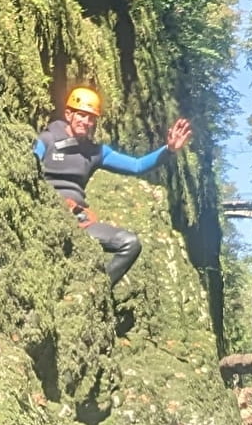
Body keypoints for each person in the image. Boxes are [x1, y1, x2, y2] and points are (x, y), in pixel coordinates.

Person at [33, 86, 192, 284]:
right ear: (68, 114)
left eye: (91, 118)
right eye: (82, 115)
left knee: (130, 243)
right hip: (44, 210)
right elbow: (28, 167)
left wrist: (168, 150)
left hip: (77, 220)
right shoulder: (47, 139)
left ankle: (98, 290)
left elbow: (136, 165)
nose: (87, 122)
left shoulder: (96, 152)